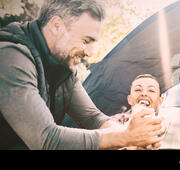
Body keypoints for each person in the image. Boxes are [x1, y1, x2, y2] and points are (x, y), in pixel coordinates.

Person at [0, 0, 164, 150]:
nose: (91, 53)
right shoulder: (11, 55)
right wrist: (125, 137)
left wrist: (137, 134)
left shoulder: (63, 66)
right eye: (86, 41)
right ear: (57, 26)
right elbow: (46, 139)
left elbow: (93, 118)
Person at [111, 74, 166, 150]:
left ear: (160, 101)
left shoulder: (166, 128)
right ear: (129, 99)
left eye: (151, 90)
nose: (144, 94)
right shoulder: (113, 123)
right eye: (138, 90)